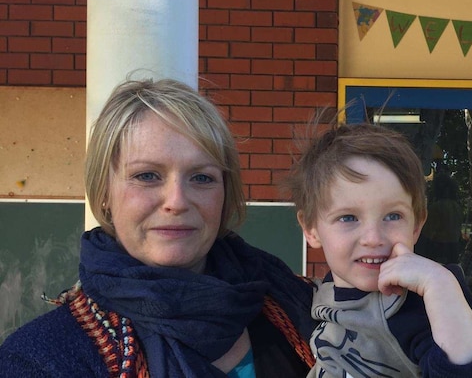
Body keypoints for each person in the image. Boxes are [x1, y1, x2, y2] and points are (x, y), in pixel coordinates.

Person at [0, 78, 317, 377]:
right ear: (104, 193)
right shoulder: (40, 360)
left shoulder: (309, 308)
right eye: (147, 175)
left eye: (201, 177)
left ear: (225, 193)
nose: (177, 201)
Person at [282, 122, 472, 377]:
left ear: (416, 225)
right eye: (348, 218)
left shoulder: (417, 305)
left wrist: (440, 285)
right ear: (311, 229)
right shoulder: (321, 291)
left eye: (393, 216)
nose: (373, 238)